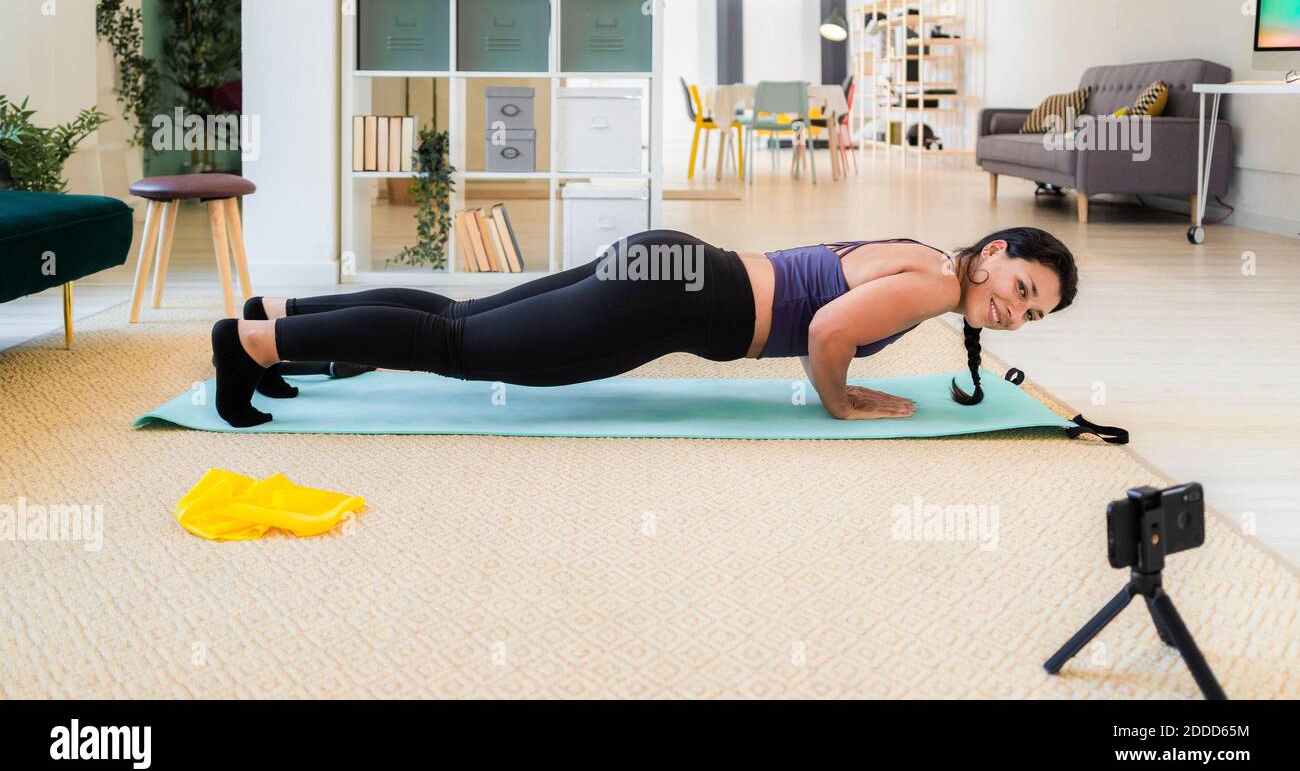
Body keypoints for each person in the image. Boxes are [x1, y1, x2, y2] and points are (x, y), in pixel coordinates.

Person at [210, 226, 1077, 428]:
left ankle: (276, 317)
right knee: (459, 347)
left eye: (1031, 313)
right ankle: (248, 349)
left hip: (675, 265)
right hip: (676, 299)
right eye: (1021, 286)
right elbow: (827, 335)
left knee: (460, 317)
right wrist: (840, 400)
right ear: (993, 253)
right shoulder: (931, 287)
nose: (1015, 309)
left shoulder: (924, 255)